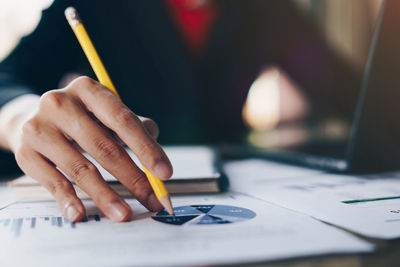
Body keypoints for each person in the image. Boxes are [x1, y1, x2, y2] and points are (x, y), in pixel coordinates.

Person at [0, 0, 358, 222]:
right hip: (125, 180)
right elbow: (8, 77)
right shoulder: (97, 3)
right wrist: (20, 118)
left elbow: (347, 90)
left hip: (231, 183)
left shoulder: (268, 9)